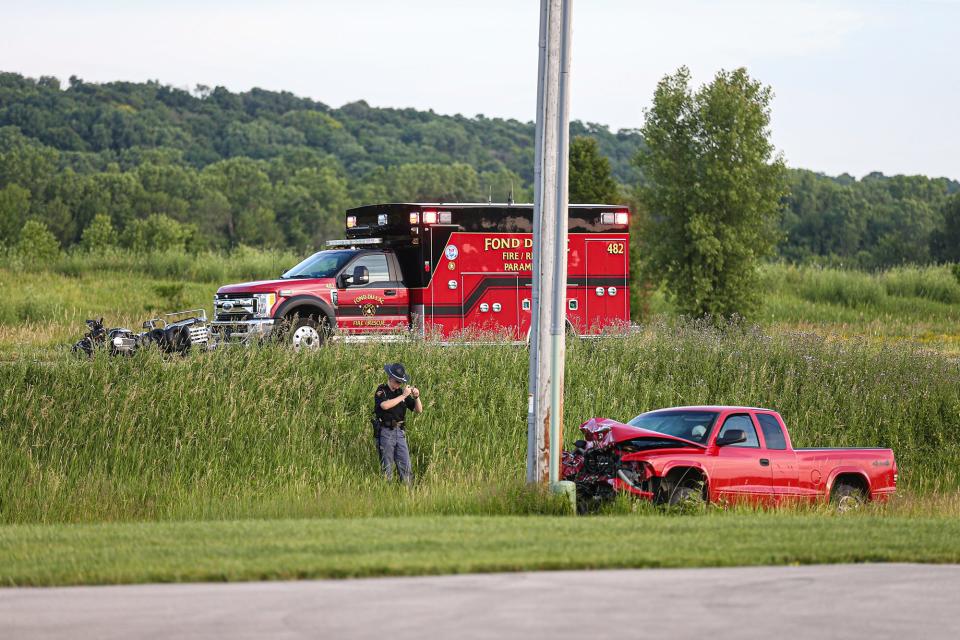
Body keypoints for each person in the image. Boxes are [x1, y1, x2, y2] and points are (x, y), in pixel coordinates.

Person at [373, 362, 423, 484]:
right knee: (387, 466)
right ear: (390, 378)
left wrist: (416, 397)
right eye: (396, 382)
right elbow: (384, 405)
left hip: (400, 432)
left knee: (405, 464)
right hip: (386, 431)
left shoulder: (401, 392)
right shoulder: (382, 391)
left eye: (400, 382)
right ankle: (386, 491)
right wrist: (403, 396)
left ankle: (408, 491)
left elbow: (419, 410)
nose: (398, 385)